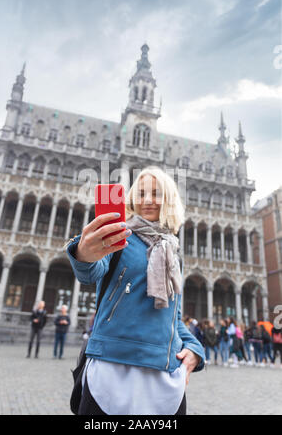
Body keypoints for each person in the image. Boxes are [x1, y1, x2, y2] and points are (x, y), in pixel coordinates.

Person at [66, 166, 205, 415]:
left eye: (156, 193)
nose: (148, 200)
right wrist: (83, 254)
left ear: (169, 200)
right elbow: (91, 271)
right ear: (132, 199)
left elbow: (173, 317)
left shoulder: (172, 251)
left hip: (163, 371)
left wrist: (195, 348)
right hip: (113, 366)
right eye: (141, 193)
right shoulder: (119, 238)